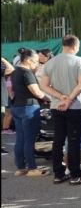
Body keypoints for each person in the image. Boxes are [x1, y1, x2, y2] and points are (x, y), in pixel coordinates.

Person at [40, 35, 81, 185]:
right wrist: (69, 99)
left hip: (56, 106)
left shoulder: (50, 62)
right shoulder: (79, 61)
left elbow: (44, 86)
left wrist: (61, 97)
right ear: (75, 46)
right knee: (74, 141)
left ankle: (58, 174)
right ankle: (75, 175)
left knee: (58, 140)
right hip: (75, 106)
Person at [11, 49, 51, 177]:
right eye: (35, 62)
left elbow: (12, 91)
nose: (37, 65)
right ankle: (32, 168)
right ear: (28, 60)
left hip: (17, 107)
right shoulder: (26, 73)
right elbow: (37, 92)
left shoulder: (15, 71)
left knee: (20, 139)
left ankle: (21, 168)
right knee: (29, 140)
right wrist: (49, 98)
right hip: (29, 108)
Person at [2, 57, 15, 134]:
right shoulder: (9, 77)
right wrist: (12, 97)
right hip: (9, 97)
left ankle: (5, 129)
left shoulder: (6, 77)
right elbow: (9, 88)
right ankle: (6, 129)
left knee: (7, 114)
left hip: (7, 97)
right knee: (9, 114)